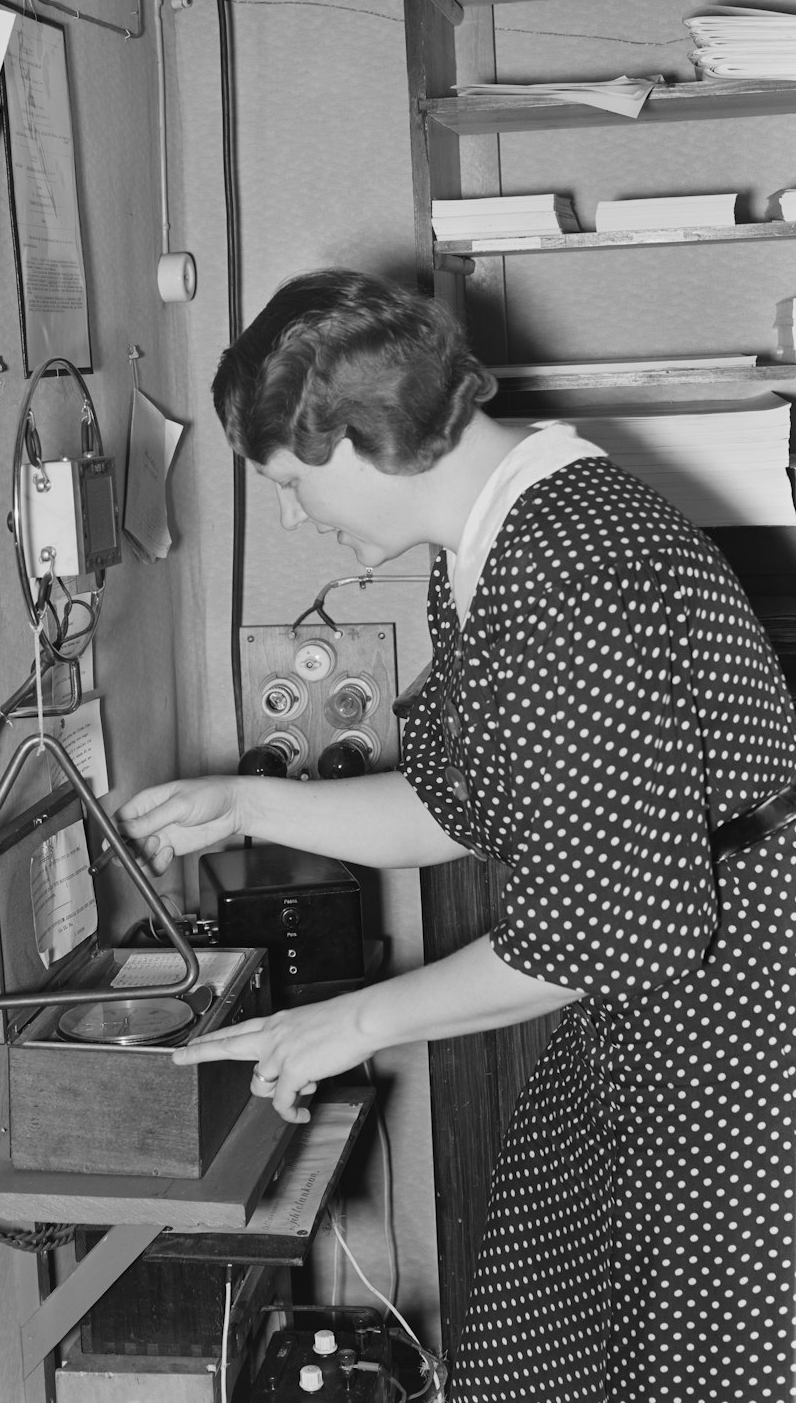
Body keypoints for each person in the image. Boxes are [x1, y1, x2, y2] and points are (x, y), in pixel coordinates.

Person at [117, 268, 796, 1402]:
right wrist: (249, 804)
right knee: (537, 1337)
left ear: (360, 441)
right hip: (652, 1006)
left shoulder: (577, 572)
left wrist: (343, 1024)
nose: (296, 517)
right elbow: (463, 803)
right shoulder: (486, 541)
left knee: (698, 1358)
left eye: (291, 484)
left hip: (736, 1028)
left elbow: (604, 927)